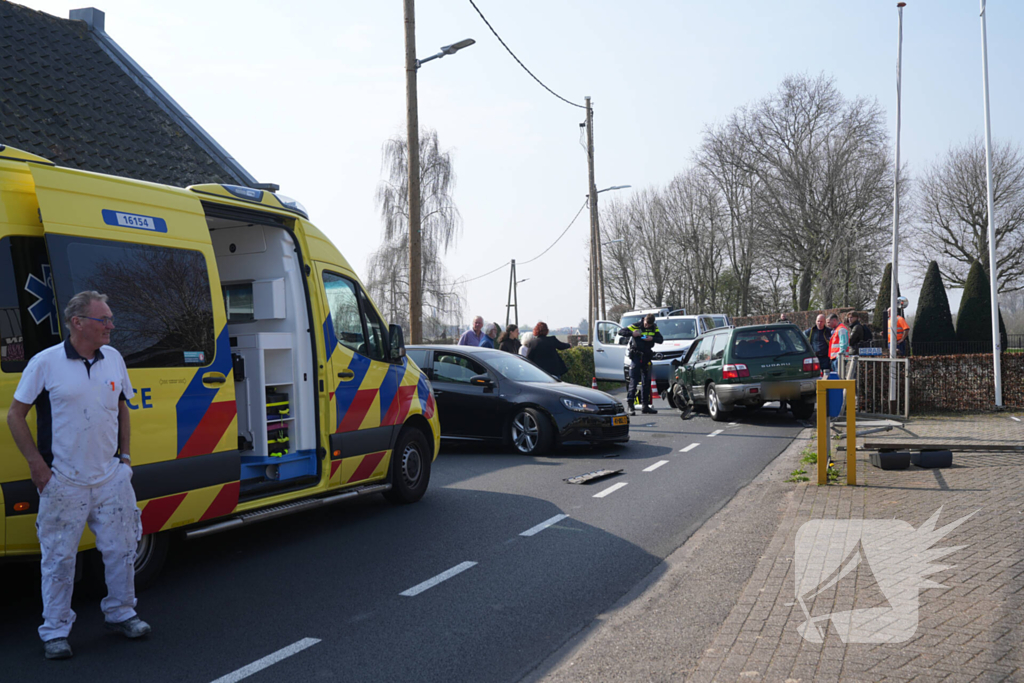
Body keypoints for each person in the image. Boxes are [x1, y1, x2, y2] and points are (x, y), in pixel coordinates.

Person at [6, 291, 150, 660]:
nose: (111, 326)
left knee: (122, 551)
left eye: (110, 319)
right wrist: (38, 466)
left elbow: (123, 408)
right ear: (78, 323)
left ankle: (121, 613)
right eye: (105, 320)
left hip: (110, 478)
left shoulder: (114, 358)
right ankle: (55, 632)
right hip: (63, 481)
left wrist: (126, 460)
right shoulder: (46, 363)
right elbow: (15, 416)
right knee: (59, 559)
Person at [618, 313, 663, 415]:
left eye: (649, 325)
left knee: (646, 383)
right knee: (633, 382)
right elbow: (621, 332)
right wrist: (632, 334)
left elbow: (661, 339)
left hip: (647, 356)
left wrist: (652, 339)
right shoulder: (636, 325)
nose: (647, 326)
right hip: (636, 357)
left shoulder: (654, 328)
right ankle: (630, 406)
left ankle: (645, 406)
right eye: (646, 324)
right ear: (644, 320)